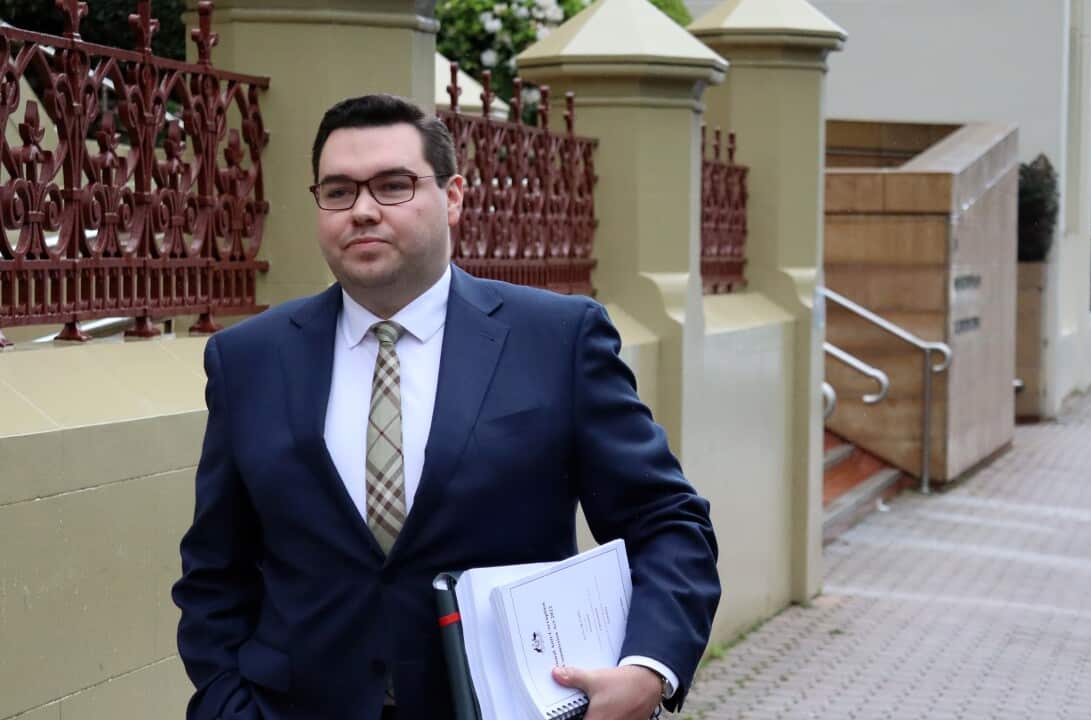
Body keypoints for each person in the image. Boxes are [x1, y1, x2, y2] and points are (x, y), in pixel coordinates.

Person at [172, 94, 721, 720]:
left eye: (394, 185)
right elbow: (215, 568)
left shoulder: (555, 339)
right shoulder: (248, 360)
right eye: (338, 191)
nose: (364, 211)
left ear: (453, 196)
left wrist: (649, 669)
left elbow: (669, 523)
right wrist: (226, 704)